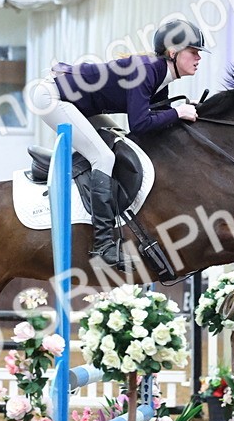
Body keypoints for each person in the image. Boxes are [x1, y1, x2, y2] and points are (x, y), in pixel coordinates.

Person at [29, 19, 207, 270]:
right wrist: (178, 113)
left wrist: (192, 111)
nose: (199, 57)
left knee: (117, 144)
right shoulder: (146, 70)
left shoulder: (161, 77)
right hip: (53, 96)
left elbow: (159, 121)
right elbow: (141, 124)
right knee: (103, 157)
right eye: (193, 51)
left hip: (79, 103)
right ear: (173, 52)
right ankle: (103, 245)